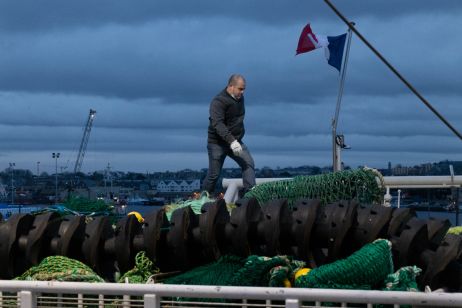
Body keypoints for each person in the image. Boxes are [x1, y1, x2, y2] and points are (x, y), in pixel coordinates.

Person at [202, 74, 256, 196]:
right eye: (240, 89)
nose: (243, 92)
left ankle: (250, 197)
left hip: (236, 141)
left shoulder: (240, 98)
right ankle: (202, 199)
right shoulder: (218, 101)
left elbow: (236, 120)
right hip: (217, 144)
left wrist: (236, 140)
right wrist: (232, 141)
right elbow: (217, 124)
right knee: (213, 175)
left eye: (244, 89)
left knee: (248, 163)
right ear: (231, 86)